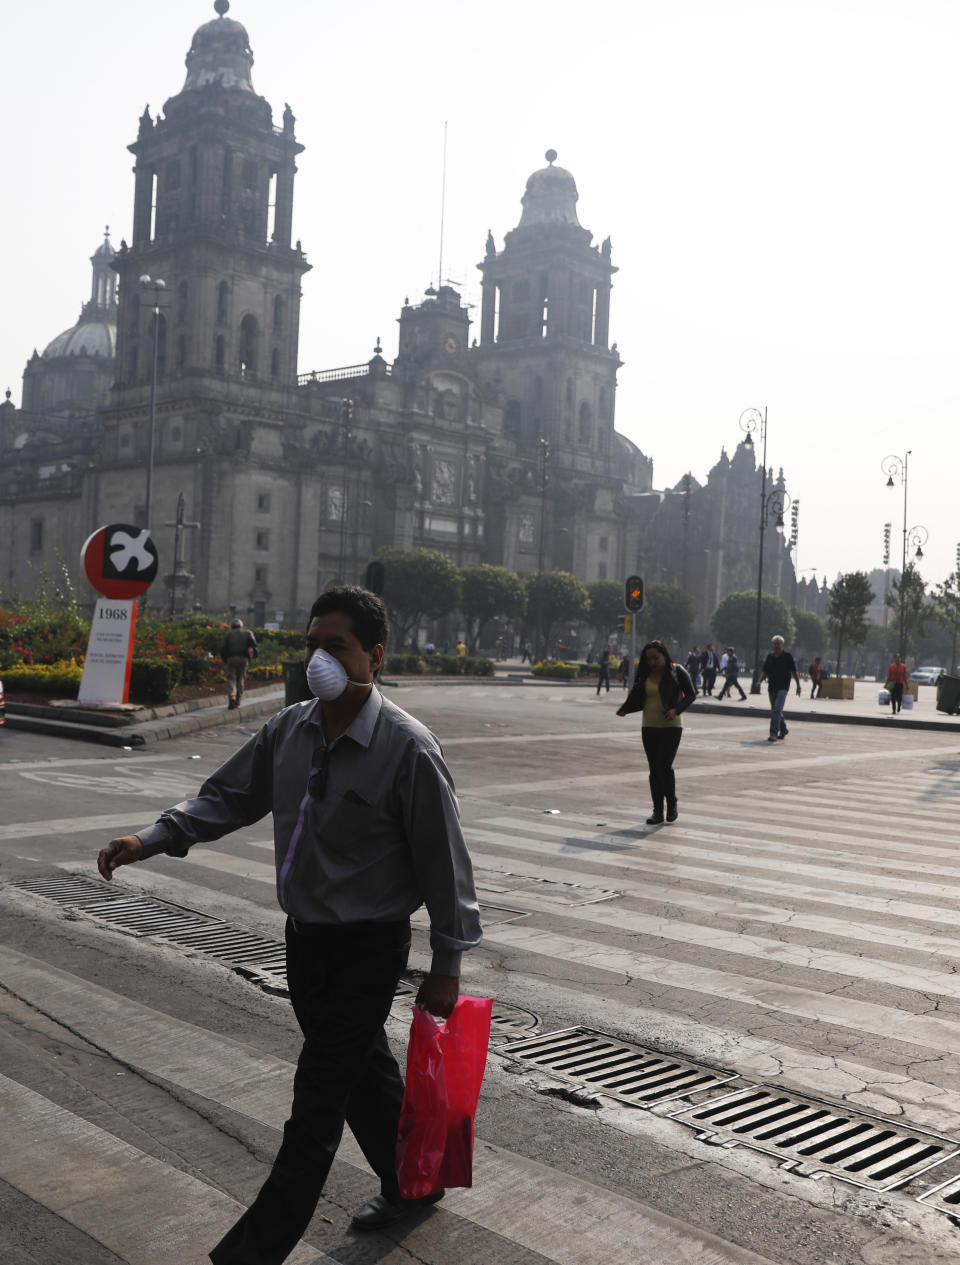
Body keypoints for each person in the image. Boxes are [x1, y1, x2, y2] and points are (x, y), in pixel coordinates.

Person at [97, 586, 482, 1261]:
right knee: (362, 1071)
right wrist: (150, 837)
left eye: (336, 645)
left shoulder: (407, 748)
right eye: (311, 643)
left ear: (375, 656)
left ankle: (250, 1252)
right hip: (304, 942)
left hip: (369, 947)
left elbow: (447, 866)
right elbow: (227, 795)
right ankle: (412, 1182)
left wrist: (448, 965)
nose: (318, 658)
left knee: (316, 1106)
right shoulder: (291, 729)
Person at [616, 639, 696, 824]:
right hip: (649, 726)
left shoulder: (676, 671)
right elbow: (637, 695)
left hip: (671, 726)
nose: (652, 662)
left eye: (656, 658)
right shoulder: (645, 675)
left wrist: (676, 709)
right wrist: (625, 709)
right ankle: (657, 811)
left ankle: (672, 803)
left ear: (664, 655)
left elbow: (691, 694)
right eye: (649, 659)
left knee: (664, 766)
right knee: (654, 769)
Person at [759, 634, 802, 741]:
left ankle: (773, 733)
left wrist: (798, 685)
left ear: (783, 645)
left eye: (779, 643)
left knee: (777, 709)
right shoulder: (770, 657)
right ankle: (783, 729)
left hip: (783, 687)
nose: (777, 645)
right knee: (775, 710)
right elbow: (765, 671)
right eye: (775, 643)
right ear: (773, 645)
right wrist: (759, 681)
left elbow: (794, 672)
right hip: (772, 687)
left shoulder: (788, 657)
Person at [220, 617, 257, 710]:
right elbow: (254, 645)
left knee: (231, 679)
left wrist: (225, 659)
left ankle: (231, 697)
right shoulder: (248, 633)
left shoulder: (228, 634)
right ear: (241, 626)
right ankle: (237, 702)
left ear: (232, 626)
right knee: (241, 679)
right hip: (243, 659)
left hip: (231, 658)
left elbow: (222, 648)